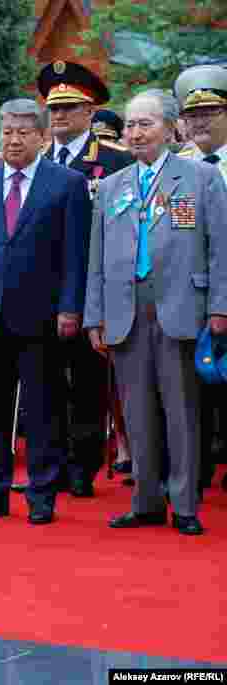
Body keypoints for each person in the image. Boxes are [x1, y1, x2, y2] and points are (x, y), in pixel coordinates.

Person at [85, 89, 227, 537]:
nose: (135, 132)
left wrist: (220, 307)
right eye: (130, 125)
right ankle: (145, 500)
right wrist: (96, 316)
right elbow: (97, 257)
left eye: (145, 124)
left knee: (182, 411)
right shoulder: (113, 185)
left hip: (182, 305)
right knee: (137, 410)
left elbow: (221, 248)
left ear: (171, 128)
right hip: (126, 310)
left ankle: (184, 502)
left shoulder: (201, 179)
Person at [0, 98, 90, 525]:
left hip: (41, 315)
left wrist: (70, 307)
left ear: (43, 137)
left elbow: (75, 254)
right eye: (7, 131)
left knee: (44, 407)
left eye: (23, 133)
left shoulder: (66, 184)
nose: (12, 140)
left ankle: (42, 493)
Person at [33, 60, 134, 499]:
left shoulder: (115, 162)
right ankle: (49, 461)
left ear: (90, 113)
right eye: (54, 109)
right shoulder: (36, 161)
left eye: (70, 108)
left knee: (88, 382)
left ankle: (83, 462)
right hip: (40, 289)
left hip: (93, 288)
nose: (60, 117)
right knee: (44, 381)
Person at [175, 64, 227, 494]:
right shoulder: (180, 171)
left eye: (211, 112)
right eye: (192, 115)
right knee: (197, 387)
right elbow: (182, 234)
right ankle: (201, 465)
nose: (200, 122)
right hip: (194, 294)